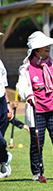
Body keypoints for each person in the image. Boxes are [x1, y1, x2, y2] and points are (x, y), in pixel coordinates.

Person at [17, 31, 53, 181]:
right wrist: (28, 94)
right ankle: (37, 172)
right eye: (44, 45)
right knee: (37, 144)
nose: (48, 47)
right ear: (35, 49)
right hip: (37, 112)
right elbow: (21, 86)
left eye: (49, 45)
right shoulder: (26, 68)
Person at [0, 32, 13, 179]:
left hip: (2, 102)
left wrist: (8, 104)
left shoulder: (0, 63)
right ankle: (4, 159)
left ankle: (3, 159)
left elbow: (3, 85)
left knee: (1, 138)